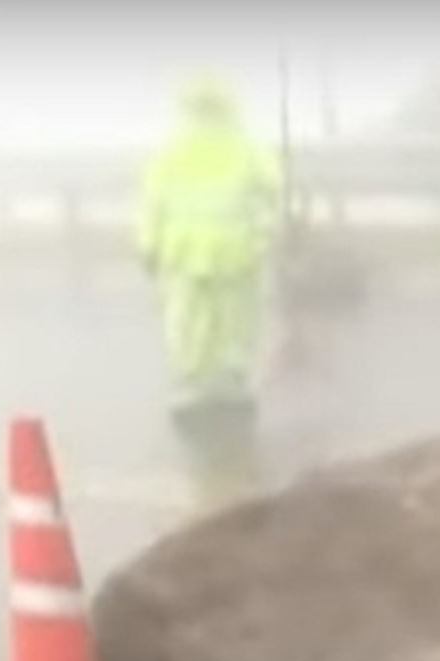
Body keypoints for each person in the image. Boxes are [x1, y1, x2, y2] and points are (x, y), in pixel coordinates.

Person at [136, 76, 281, 503]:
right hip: (238, 253)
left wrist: (147, 248)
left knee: (189, 324)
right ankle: (233, 385)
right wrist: (263, 237)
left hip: (184, 255)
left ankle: (192, 388)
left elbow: (152, 204)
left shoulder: (172, 151)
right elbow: (271, 194)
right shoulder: (247, 147)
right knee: (237, 322)